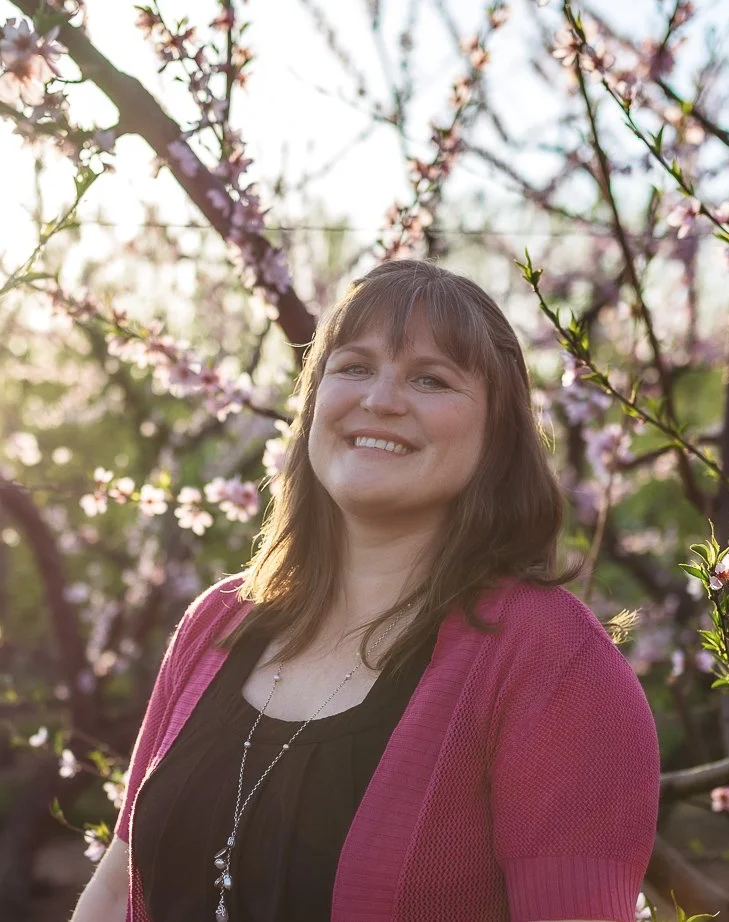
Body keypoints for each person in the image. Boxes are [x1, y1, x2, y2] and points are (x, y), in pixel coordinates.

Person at [68, 259, 659, 922]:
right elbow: (114, 892)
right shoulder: (216, 624)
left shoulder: (552, 661)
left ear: (497, 437)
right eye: (352, 367)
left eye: (430, 378)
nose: (380, 399)